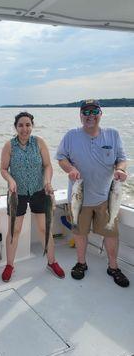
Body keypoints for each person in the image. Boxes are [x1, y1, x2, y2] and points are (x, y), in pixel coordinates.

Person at [56, 99, 129, 287]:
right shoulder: (71, 135)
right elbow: (61, 158)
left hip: (106, 197)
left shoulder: (113, 134)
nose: (90, 116)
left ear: (100, 113)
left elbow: (121, 159)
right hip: (79, 197)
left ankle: (113, 266)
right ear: (80, 115)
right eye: (86, 112)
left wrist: (120, 170)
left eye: (94, 111)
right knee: (80, 233)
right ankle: (81, 263)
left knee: (111, 233)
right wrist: (70, 169)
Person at [0, 111, 65, 282]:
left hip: (39, 190)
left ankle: (52, 262)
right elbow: (3, 169)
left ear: (32, 126)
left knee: (45, 228)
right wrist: (11, 180)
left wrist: (48, 182)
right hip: (16, 193)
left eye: (27, 125)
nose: (24, 128)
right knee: (15, 229)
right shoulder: (9, 146)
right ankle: (9, 265)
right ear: (16, 127)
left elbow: (48, 165)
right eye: (20, 125)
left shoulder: (39, 142)